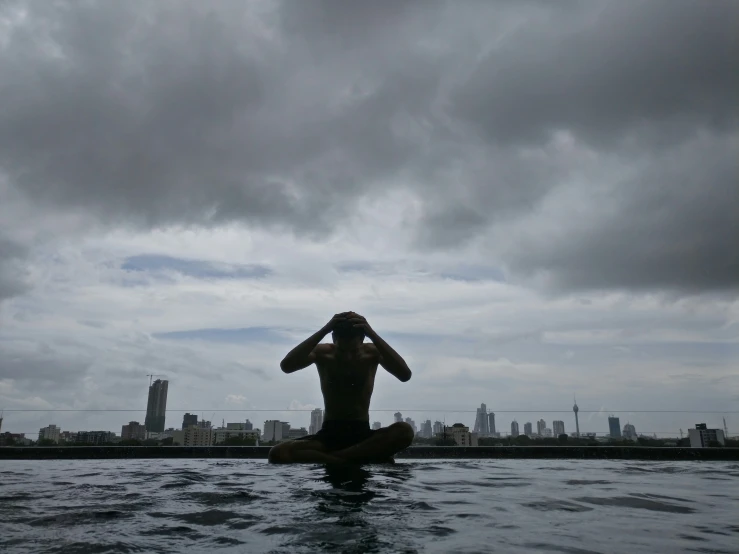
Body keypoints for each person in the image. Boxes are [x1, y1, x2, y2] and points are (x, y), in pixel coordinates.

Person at [269, 312, 414, 464]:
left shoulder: (374, 352)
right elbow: (286, 366)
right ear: (333, 339)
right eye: (343, 351)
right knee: (277, 453)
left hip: (361, 431)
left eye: (354, 351)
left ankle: (338, 458)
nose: (348, 356)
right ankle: (359, 456)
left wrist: (372, 333)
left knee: (404, 431)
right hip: (330, 433)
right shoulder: (322, 353)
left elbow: (405, 375)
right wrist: (325, 329)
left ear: (362, 340)